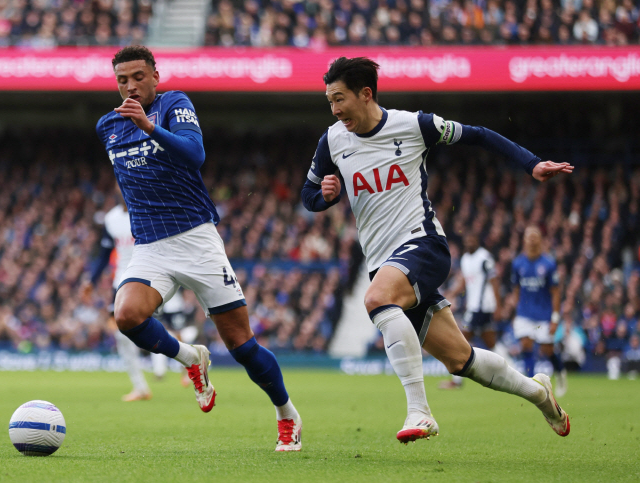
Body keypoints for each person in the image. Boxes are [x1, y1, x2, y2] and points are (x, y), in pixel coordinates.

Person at [301, 56, 572, 444]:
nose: (335, 109)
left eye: (340, 98)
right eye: (329, 101)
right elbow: (308, 194)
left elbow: (477, 134)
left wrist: (530, 164)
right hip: (384, 264)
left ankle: (420, 411)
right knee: (462, 361)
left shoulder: (413, 126)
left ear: (366, 94)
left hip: (423, 244)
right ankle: (539, 393)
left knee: (376, 299)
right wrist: (324, 197)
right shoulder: (333, 140)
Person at [95, 45, 301, 451]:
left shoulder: (175, 104)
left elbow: (195, 155)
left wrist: (150, 127)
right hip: (151, 245)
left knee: (242, 346)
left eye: (139, 77)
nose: (131, 87)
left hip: (196, 239)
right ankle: (191, 358)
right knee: (127, 314)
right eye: (123, 80)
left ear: (156, 75)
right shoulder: (107, 126)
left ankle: (287, 413)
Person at [88, 191, 152, 402]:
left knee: (167, 328)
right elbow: (105, 254)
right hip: (122, 282)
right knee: (120, 335)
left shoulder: (147, 209)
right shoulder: (111, 219)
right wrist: (91, 280)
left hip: (152, 277)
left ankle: (186, 363)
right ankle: (140, 387)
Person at [440, 233, 505, 389]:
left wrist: (498, 306)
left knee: (459, 339)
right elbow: (464, 281)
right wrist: (451, 293)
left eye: (472, 239)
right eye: (467, 240)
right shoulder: (465, 259)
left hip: (481, 307)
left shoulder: (484, 258)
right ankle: (514, 369)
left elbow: (494, 281)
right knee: (491, 342)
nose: (469, 242)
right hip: (475, 307)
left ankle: (456, 381)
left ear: (477, 241)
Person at [511, 227, 567, 396]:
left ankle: (561, 373)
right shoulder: (517, 263)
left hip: (543, 314)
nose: (532, 240)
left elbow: (556, 292)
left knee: (547, 349)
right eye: (529, 237)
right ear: (525, 240)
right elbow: (516, 289)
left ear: (541, 240)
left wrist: (555, 318)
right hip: (525, 313)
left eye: (535, 237)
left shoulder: (549, 263)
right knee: (526, 344)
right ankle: (532, 385)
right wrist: (517, 309)